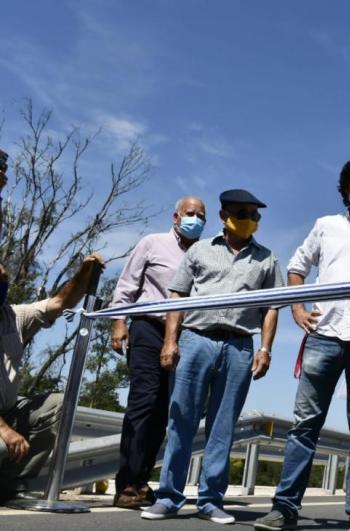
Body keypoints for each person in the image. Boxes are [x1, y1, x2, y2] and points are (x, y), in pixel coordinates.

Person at [252, 159, 350, 531]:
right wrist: (297, 308)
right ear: (345, 193)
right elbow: (297, 266)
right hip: (323, 337)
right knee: (305, 425)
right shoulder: (325, 226)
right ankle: (285, 507)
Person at [143, 189, 284, 525]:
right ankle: (168, 497)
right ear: (224, 216)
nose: (251, 219)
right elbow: (177, 296)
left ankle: (210, 500)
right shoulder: (200, 251)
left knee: (223, 425)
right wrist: (169, 341)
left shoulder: (267, 259)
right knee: (182, 419)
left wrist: (265, 349)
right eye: (243, 212)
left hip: (239, 345)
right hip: (196, 339)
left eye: (255, 214)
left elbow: (272, 308)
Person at [110, 196, 206, 509]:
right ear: (176, 217)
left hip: (183, 335)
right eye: (190, 214)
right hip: (148, 329)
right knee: (144, 400)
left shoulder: (204, 254)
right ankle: (125, 483)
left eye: (201, 216)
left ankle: (141, 481)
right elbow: (126, 286)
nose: (196, 219)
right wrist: (118, 323)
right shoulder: (152, 243)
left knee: (165, 410)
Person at [0, 254, 105, 501]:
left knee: (59, 404)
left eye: (4, 278)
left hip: (8, 411)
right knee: (3, 443)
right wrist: (4, 430)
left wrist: (85, 273)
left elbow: (61, 302)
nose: (2, 280)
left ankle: (9, 485)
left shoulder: (14, 316)